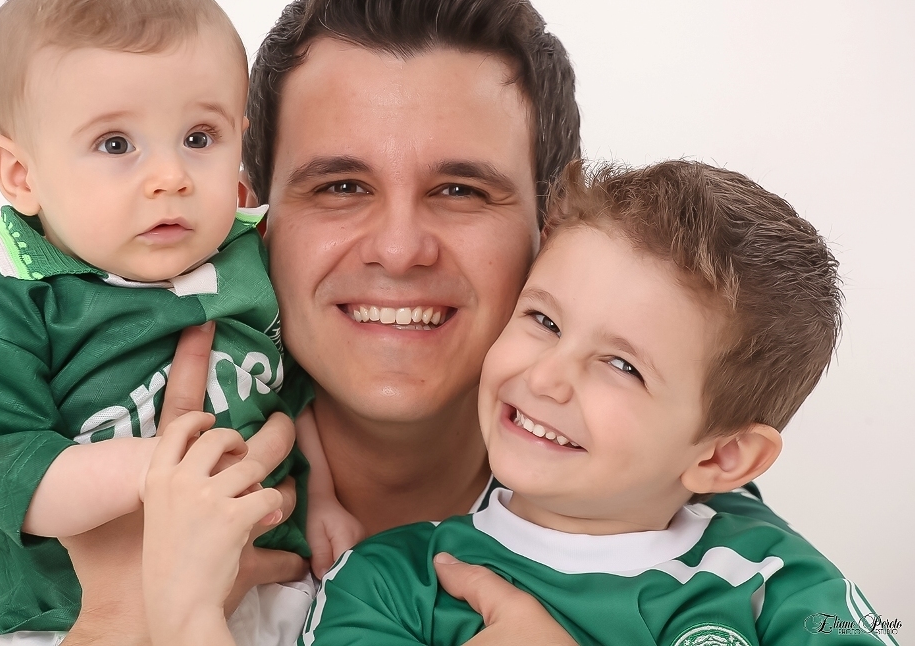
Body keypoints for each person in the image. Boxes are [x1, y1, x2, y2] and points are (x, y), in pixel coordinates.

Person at [0, 0, 849, 646]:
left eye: (461, 190)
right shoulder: (59, 558)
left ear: (554, 224)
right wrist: (118, 623)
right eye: (340, 187)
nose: (400, 248)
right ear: (250, 210)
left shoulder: (717, 547)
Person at [0, 0, 359, 645]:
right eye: (116, 144)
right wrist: (164, 472)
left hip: (264, 578)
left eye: (199, 137)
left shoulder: (250, 259)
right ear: (20, 174)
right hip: (70, 613)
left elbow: (291, 396)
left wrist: (324, 500)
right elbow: (11, 476)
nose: (170, 177)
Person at [293, 160, 895, 645]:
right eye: (544, 320)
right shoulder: (390, 584)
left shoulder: (778, 582)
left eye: (622, 366)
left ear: (724, 455)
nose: (546, 377)